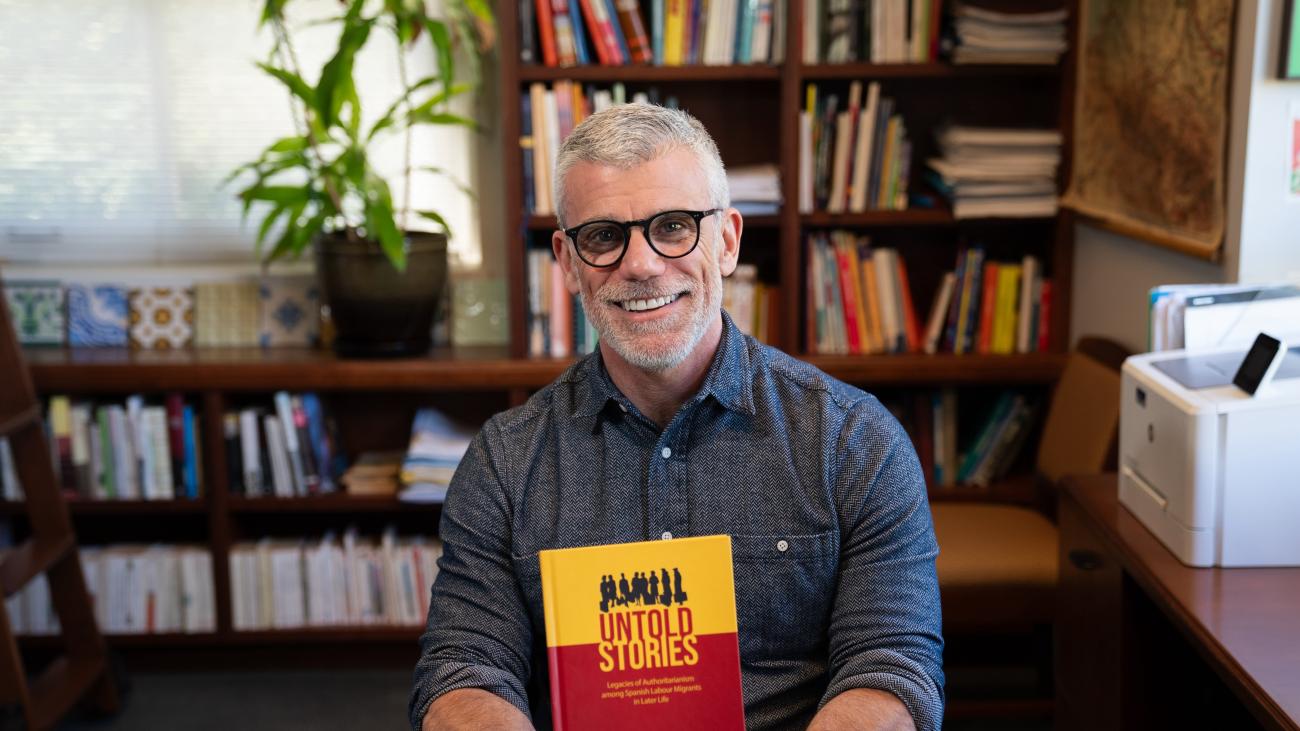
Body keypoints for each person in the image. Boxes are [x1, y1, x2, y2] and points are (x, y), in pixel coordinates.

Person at [410, 103, 943, 731]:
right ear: (568, 262)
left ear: (726, 241)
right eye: (604, 236)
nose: (640, 265)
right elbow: (461, 670)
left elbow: (892, 668)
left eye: (673, 226)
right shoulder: (504, 462)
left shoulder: (856, 442)